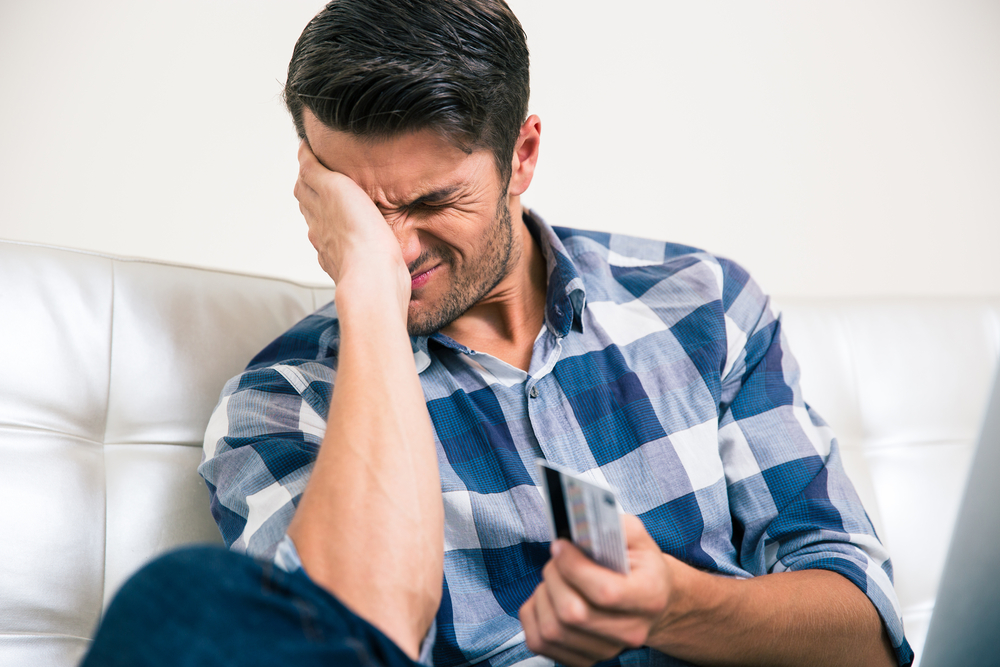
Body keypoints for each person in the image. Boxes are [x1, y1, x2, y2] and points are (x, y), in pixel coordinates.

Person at [83, 1, 913, 666]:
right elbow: (355, 635)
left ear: (521, 156)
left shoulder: (701, 303)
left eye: (432, 202)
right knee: (179, 599)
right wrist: (367, 292)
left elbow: (868, 633)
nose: (398, 245)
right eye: (360, 211)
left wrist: (672, 604)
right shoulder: (281, 403)